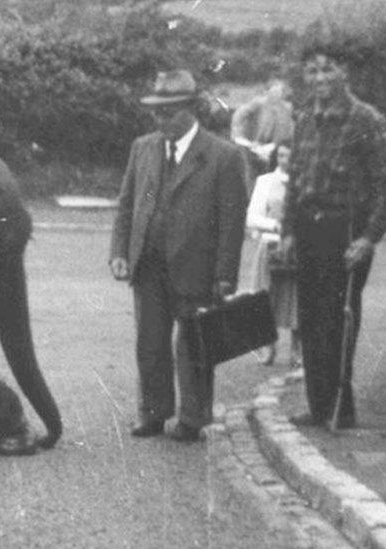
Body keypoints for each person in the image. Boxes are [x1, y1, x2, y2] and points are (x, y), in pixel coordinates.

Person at [109, 69, 248, 442]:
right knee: (150, 345)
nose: (159, 120)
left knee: (193, 345)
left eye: (167, 112)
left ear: (191, 110)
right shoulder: (145, 148)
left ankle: (192, 418)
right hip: (148, 264)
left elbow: (232, 223)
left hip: (196, 269)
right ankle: (153, 413)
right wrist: (120, 251)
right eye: (155, 112)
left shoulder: (223, 157)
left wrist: (225, 275)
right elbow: (129, 205)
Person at [280, 44, 386, 429]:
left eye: (328, 70)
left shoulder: (365, 120)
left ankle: (340, 409)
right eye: (313, 71)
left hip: (345, 233)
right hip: (308, 229)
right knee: (311, 321)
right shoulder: (305, 120)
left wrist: (368, 238)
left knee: (339, 321)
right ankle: (318, 407)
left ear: (344, 73)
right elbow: (294, 181)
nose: (319, 79)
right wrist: (287, 232)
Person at [244, 142, 301, 368]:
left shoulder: (304, 182)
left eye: (290, 156)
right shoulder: (265, 182)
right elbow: (252, 217)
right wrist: (277, 225)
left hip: (298, 248)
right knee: (265, 298)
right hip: (270, 245)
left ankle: (297, 350)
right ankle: (269, 347)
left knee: (296, 298)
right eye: (281, 155)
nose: (285, 160)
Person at [230, 77, 294, 174]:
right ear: (267, 92)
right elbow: (238, 116)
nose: (276, 96)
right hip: (253, 146)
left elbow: (287, 133)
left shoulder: (287, 109)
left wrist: (271, 148)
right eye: (273, 92)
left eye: (279, 92)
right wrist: (240, 137)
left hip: (273, 149)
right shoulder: (257, 103)